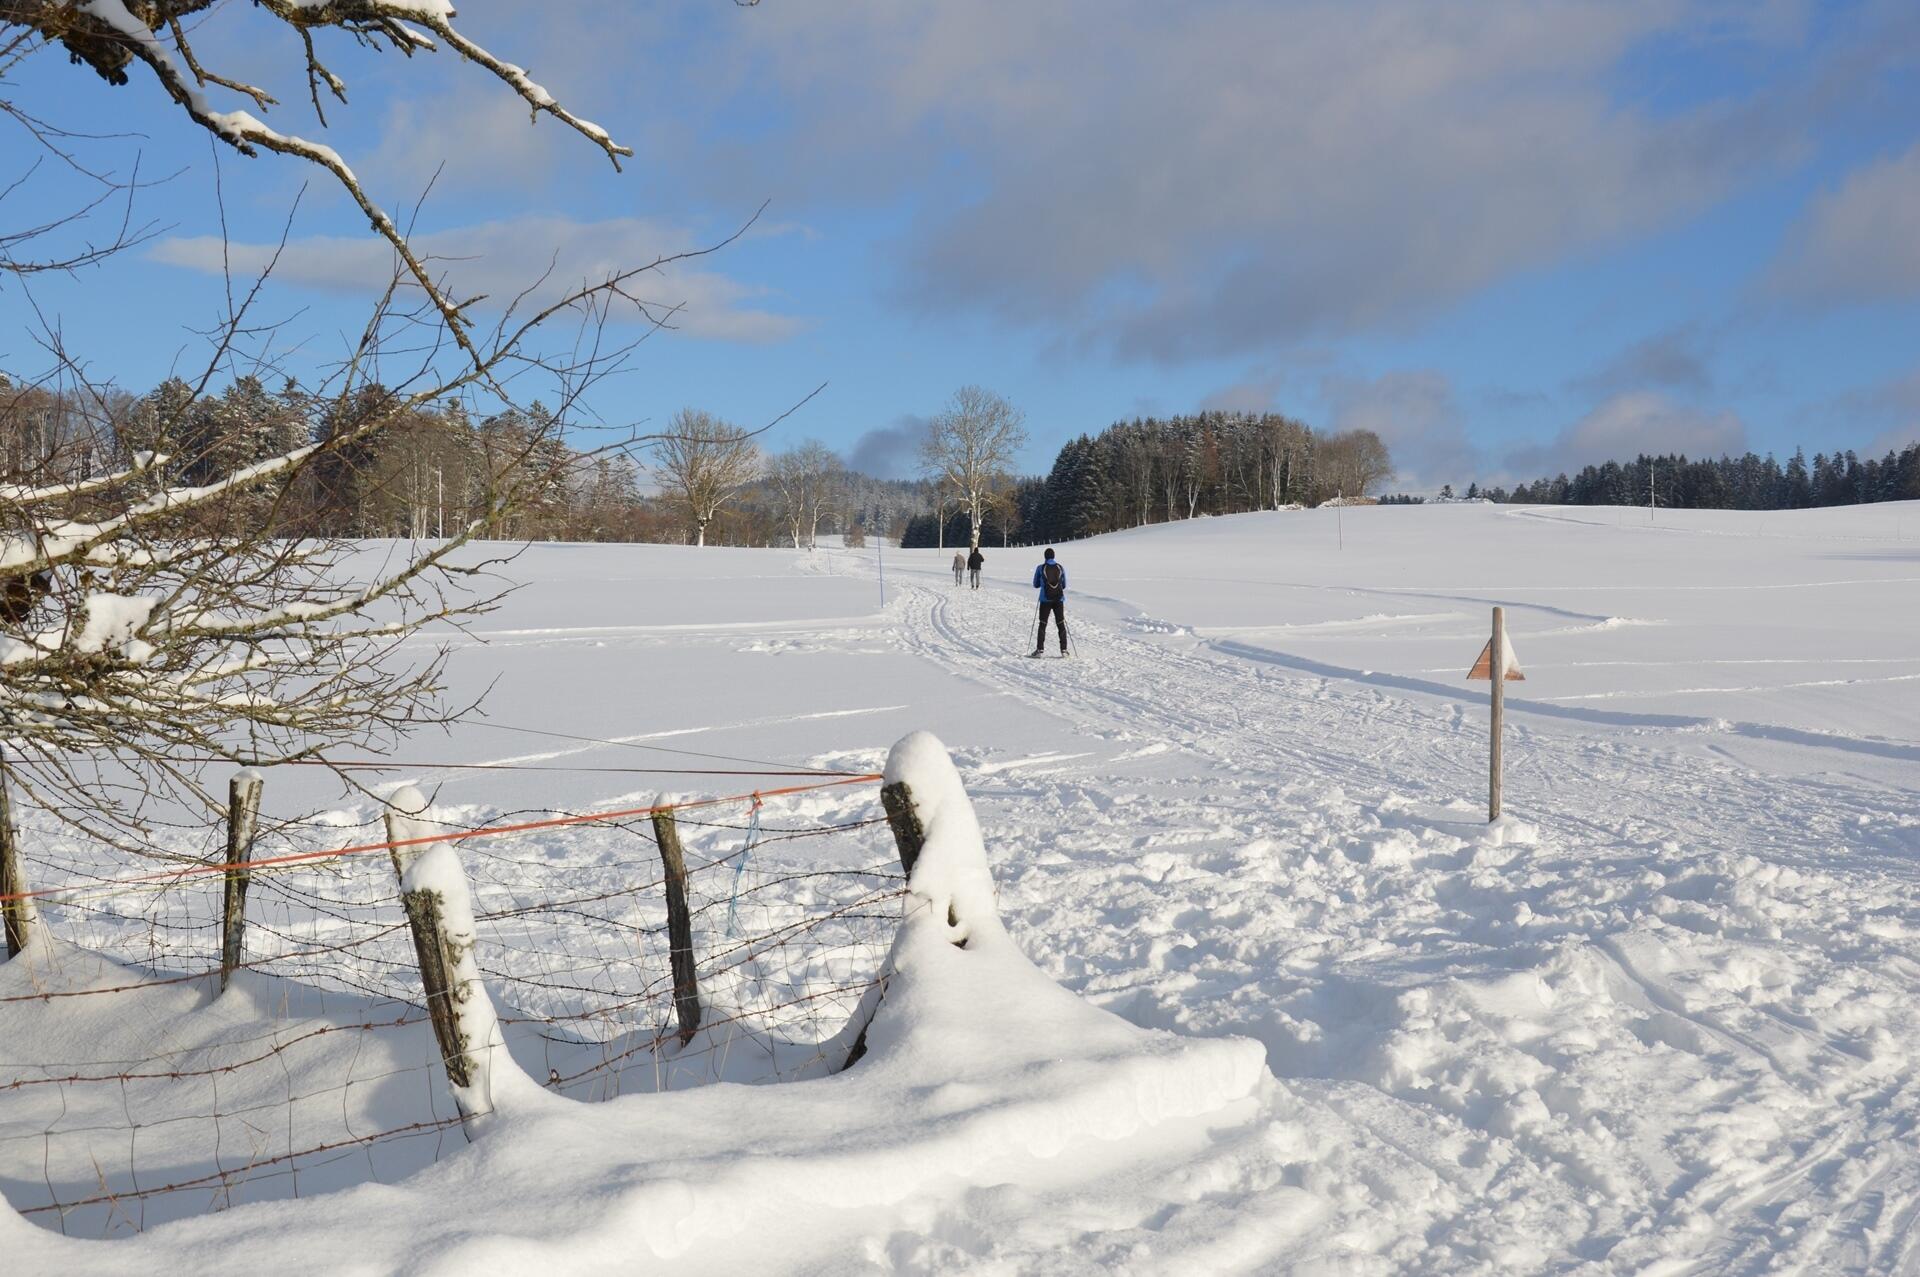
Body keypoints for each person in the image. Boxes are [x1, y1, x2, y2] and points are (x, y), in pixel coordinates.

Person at [1030, 547, 1068, 656]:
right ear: (1054, 556)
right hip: (1059, 599)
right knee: (1060, 623)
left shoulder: (1040, 568)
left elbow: (1035, 584)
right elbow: (1064, 585)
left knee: (1043, 623)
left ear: (1045, 556)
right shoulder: (1060, 567)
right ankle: (1064, 650)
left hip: (1045, 599)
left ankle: (1039, 650)